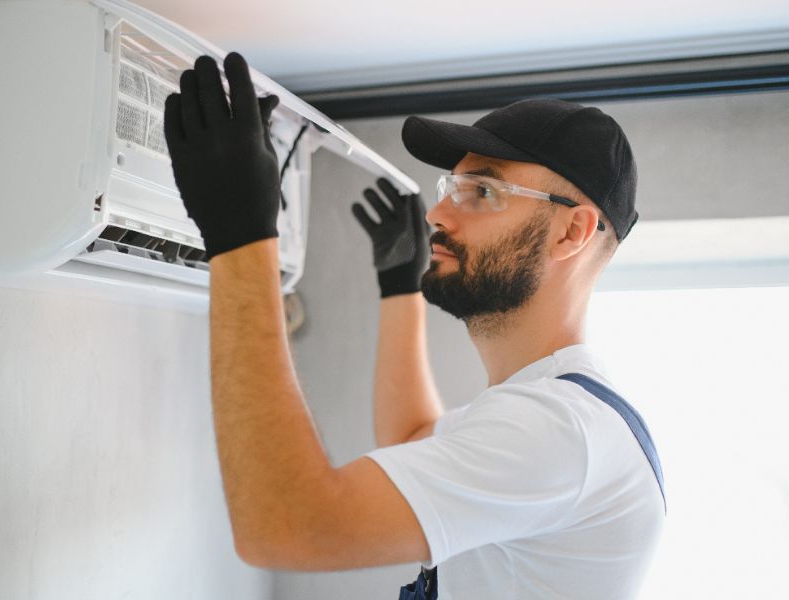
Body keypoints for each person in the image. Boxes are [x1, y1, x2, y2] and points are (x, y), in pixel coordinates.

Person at [163, 52, 665, 600]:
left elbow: (288, 527)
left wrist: (240, 233)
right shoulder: (548, 411)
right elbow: (410, 437)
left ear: (572, 233)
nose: (437, 215)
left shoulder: (560, 432)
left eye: (483, 191)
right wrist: (399, 287)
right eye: (452, 187)